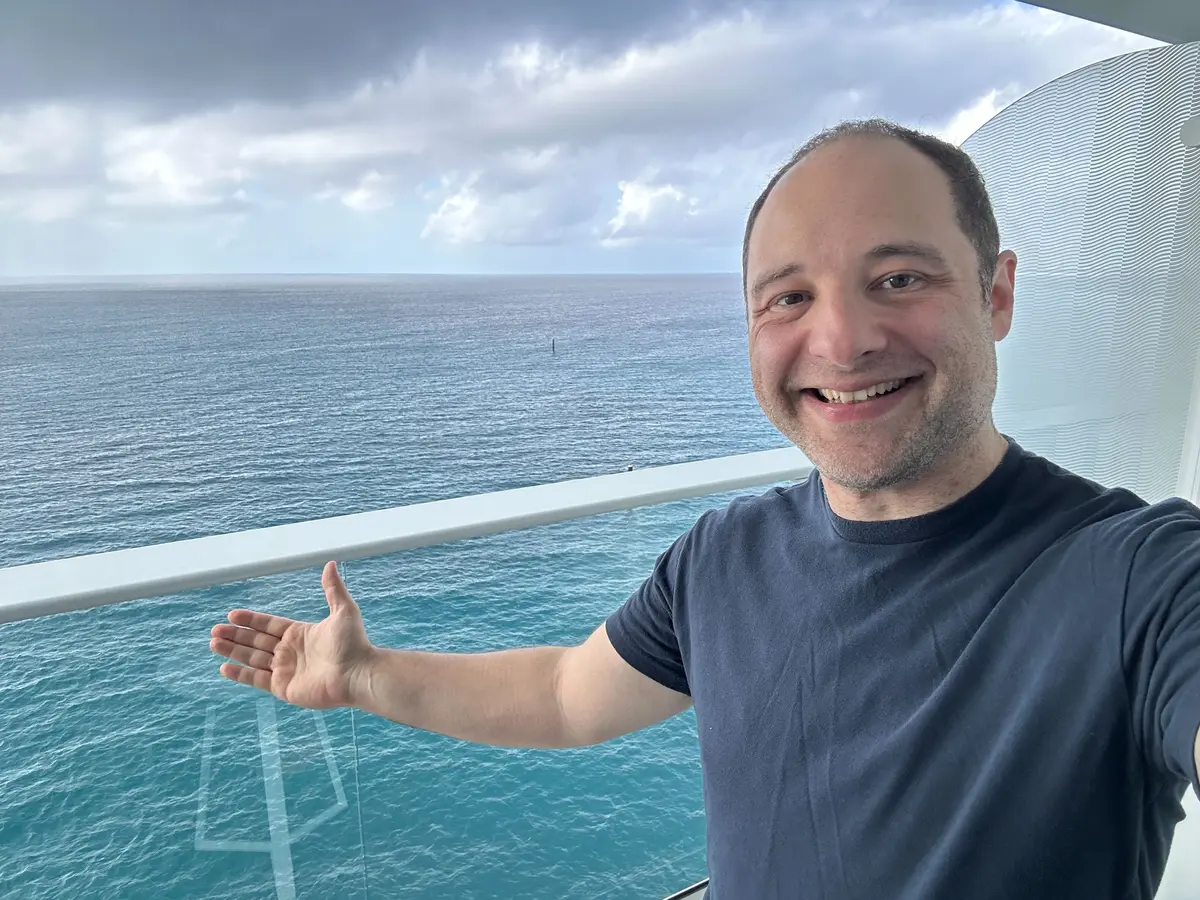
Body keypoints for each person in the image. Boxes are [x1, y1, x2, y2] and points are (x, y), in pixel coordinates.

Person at [209, 119, 1200, 899]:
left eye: (898, 279)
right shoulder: (725, 556)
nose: (843, 341)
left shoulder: (1139, 578)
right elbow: (565, 691)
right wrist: (368, 676)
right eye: (789, 298)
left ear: (997, 296)